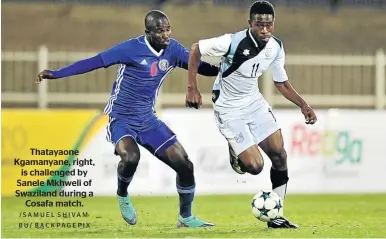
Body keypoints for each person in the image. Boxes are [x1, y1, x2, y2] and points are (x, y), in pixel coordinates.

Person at [36, 10, 218, 228]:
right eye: (160, 31)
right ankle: (122, 194)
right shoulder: (131, 48)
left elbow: (197, 66)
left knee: (185, 164)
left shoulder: (173, 50)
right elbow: (94, 62)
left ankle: (186, 218)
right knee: (131, 157)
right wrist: (56, 73)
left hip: (148, 120)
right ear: (148, 32)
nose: (166, 34)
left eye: (168, 29)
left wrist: (225, 69)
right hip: (120, 118)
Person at [185, 0, 317, 229]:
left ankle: (276, 215)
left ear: (273, 24)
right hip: (228, 108)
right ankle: (236, 152)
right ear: (250, 23)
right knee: (254, 167)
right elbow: (196, 48)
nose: (264, 30)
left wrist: (303, 105)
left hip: (254, 103)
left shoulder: (276, 47)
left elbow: (281, 83)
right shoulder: (233, 41)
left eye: (268, 24)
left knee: (279, 155)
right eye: (259, 25)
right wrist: (192, 88)